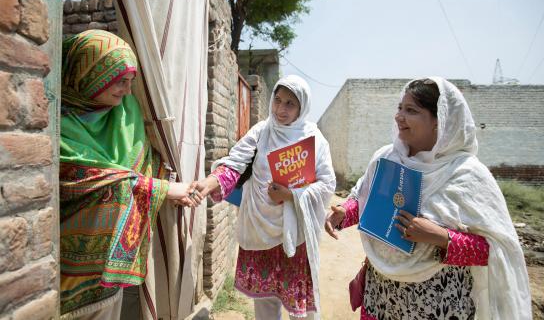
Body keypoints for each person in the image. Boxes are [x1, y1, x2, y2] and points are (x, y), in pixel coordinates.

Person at [325, 77, 532, 320]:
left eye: (411, 110)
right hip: (380, 297)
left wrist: (440, 237)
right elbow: (368, 203)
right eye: (399, 108)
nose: (399, 116)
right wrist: (344, 213)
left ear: (438, 121)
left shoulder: (466, 174)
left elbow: (495, 251)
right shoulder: (386, 158)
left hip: (437, 305)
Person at [59, 30, 202, 319]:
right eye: (119, 81)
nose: (126, 89)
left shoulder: (126, 112)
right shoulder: (54, 120)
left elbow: (141, 165)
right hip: (65, 270)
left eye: (130, 81)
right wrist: (161, 189)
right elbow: (81, 177)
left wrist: (172, 187)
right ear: (89, 76)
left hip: (110, 275)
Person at [196, 75, 336, 319]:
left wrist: (292, 195)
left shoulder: (314, 140)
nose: (281, 109)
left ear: (302, 106)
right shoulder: (262, 131)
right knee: (265, 302)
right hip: (260, 229)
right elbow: (235, 163)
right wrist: (211, 182)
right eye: (278, 100)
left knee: (299, 308)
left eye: (290, 104)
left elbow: (327, 185)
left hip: (295, 235)